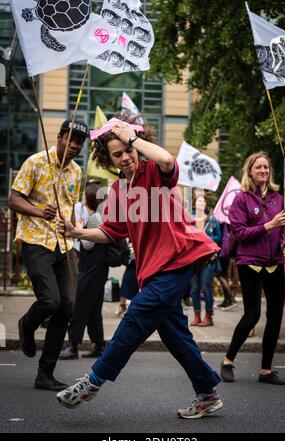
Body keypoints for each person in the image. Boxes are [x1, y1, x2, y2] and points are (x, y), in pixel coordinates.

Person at [56, 117, 223, 419]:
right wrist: (76, 232)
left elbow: (167, 159)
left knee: (136, 317)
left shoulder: (154, 172)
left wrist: (131, 137)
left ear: (137, 145)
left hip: (177, 259)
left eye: (128, 149)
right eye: (117, 154)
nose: (126, 156)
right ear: (109, 159)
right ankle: (208, 392)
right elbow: (110, 232)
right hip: (153, 269)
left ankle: (93, 381)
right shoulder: (120, 191)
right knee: (174, 334)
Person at [8, 119, 88, 390]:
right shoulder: (35, 162)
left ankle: (45, 373)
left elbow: (72, 209)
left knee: (67, 306)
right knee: (50, 301)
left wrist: (77, 230)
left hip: (63, 245)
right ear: (59, 137)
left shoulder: (77, 172)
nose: (75, 145)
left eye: (80, 142)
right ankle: (27, 324)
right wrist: (39, 211)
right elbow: (14, 199)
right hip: (35, 241)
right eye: (72, 139)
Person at [220, 151, 285, 385]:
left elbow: (282, 232)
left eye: (266, 167)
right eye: (258, 167)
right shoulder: (241, 199)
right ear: (250, 171)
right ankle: (228, 361)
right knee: (252, 315)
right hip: (250, 262)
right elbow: (240, 234)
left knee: (275, 316)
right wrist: (269, 224)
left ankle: (266, 370)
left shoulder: (278, 198)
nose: (263, 171)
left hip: (275, 263)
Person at [59, 181, 108, 360]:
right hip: (99, 268)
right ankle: (98, 343)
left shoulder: (96, 217)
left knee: (80, 305)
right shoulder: (103, 215)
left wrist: (79, 230)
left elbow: (88, 245)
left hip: (91, 267)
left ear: (89, 200)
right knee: (94, 306)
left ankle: (73, 345)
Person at [190, 207, 222, 327]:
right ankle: (197, 315)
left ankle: (209, 316)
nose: (200, 202)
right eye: (198, 200)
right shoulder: (190, 220)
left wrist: (205, 237)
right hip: (194, 259)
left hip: (208, 259)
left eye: (202, 200)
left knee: (206, 288)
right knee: (194, 289)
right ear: (194, 203)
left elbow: (219, 238)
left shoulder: (212, 220)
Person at [216, 223, 238, 310]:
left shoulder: (220, 222)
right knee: (224, 275)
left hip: (221, 252)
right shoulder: (227, 221)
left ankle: (231, 299)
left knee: (220, 274)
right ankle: (227, 300)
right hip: (227, 252)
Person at [114, 241, 139, 317]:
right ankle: (122, 305)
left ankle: (133, 307)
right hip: (131, 265)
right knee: (125, 283)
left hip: (140, 265)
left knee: (137, 287)